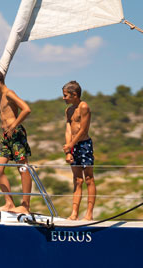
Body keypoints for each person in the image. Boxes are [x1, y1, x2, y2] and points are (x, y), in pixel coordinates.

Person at [0, 67, 32, 215]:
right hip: (6, 136)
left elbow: (26, 109)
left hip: (15, 133)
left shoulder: (9, 93)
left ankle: (25, 205)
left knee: (23, 168)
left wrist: (14, 125)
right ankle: (9, 203)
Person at [62, 80, 96, 221]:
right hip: (73, 146)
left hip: (84, 145)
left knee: (88, 178)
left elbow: (83, 130)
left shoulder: (84, 107)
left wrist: (71, 145)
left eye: (65, 96)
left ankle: (89, 213)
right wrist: (68, 150)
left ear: (74, 95)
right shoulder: (68, 110)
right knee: (77, 179)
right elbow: (68, 129)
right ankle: (74, 213)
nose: (63, 98)